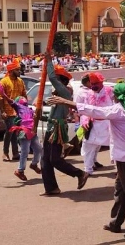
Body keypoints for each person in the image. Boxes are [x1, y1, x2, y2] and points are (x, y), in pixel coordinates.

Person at [49, 83, 125, 236]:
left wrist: (66, 102)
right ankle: (115, 223)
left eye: (114, 94)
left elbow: (96, 111)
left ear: (118, 96)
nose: (112, 96)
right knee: (121, 190)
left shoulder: (119, 110)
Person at [40, 55, 88, 196]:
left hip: (57, 129)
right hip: (51, 128)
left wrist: (48, 61)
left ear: (61, 82)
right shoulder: (59, 96)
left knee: (54, 159)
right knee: (45, 161)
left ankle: (80, 174)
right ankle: (51, 188)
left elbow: (53, 78)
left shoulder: (64, 92)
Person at [81, 72, 113, 175]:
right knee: (88, 145)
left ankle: (120, 169)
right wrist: (85, 120)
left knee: (115, 145)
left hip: (108, 124)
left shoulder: (109, 91)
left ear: (101, 82)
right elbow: (84, 109)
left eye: (96, 83)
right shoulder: (89, 93)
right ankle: (88, 170)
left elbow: (117, 105)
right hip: (93, 124)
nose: (93, 86)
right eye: (92, 83)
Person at [8, 97, 43, 181]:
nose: (24, 100)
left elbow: (38, 116)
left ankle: (34, 164)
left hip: (32, 131)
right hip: (24, 131)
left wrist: (39, 109)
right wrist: (3, 94)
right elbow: (11, 101)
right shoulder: (18, 108)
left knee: (38, 148)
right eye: (21, 99)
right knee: (25, 151)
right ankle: (20, 170)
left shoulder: (30, 109)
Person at [0, 59, 26, 162]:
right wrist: (2, 111)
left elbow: (24, 95)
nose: (19, 72)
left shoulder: (20, 81)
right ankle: (5, 153)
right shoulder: (4, 81)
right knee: (10, 132)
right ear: (11, 71)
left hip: (18, 111)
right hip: (8, 111)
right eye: (17, 70)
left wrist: (25, 108)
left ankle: (15, 153)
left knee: (15, 132)